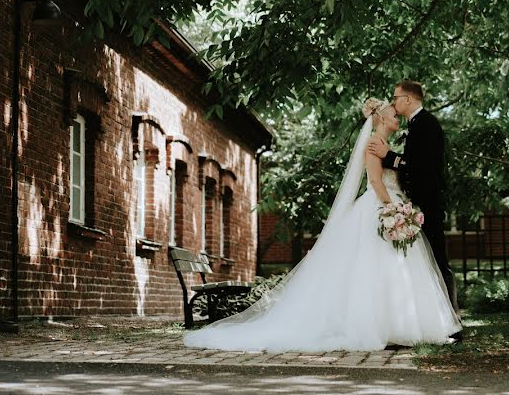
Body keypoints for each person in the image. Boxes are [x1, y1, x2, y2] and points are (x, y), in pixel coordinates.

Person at [183, 98, 461, 353]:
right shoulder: (374, 144)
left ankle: (404, 325)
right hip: (381, 206)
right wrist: (393, 208)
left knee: (398, 268)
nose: (397, 118)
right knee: (375, 269)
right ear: (381, 119)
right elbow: (376, 182)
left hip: (392, 205)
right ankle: (381, 327)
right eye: (392, 114)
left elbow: (404, 170)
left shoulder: (390, 147)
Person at [367, 81, 459, 322]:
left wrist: (389, 157)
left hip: (428, 203)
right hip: (416, 204)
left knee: (438, 260)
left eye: (396, 97)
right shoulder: (416, 125)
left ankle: (452, 320)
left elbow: (422, 167)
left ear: (408, 99)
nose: (394, 103)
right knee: (426, 262)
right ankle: (435, 319)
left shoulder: (426, 125)